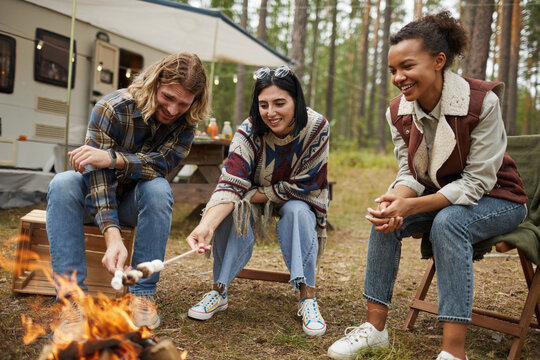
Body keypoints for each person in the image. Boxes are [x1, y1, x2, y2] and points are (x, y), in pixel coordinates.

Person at [327, 11, 527, 360]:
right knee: (386, 218)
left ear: (439, 61)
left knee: (450, 223)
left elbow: (478, 182)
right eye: (392, 71)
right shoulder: (397, 112)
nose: (399, 78)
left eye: (407, 66)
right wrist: (399, 198)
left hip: (500, 199)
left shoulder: (482, 103)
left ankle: (453, 352)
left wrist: (415, 206)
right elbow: (410, 171)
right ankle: (375, 330)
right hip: (443, 198)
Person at [46, 52, 209, 341]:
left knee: (158, 187)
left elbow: (161, 166)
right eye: (168, 97)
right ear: (155, 83)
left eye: (183, 103)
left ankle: (143, 294)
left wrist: (113, 159)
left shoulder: (187, 123)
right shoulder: (112, 107)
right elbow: (97, 178)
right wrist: (112, 235)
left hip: (134, 203)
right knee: (63, 183)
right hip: (94, 199)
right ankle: (72, 302)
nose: (173, 110)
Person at [185, 65, 330, 336]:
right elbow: (230, 183)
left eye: (279, 103)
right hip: (254, 193)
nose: (270, 112)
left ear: (296, 101)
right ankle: (219, 289)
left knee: (298, 212)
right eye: (263, 104)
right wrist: (207, 224)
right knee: (232, 210)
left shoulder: (316, 127)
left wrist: (255, 194)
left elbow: (308, 183)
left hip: (299, 197)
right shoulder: (248, 131)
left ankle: (307, 296)